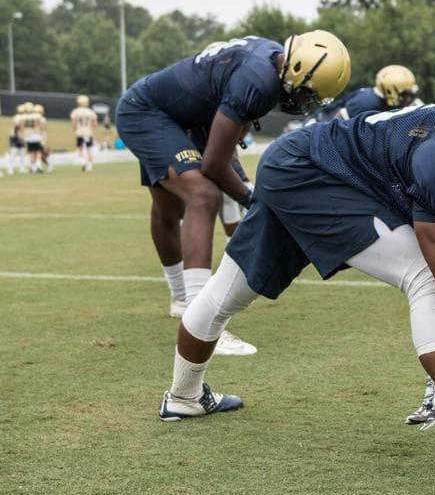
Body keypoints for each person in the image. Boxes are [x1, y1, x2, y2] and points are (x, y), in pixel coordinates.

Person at [157, 70, 435, 494]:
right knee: (426, 279)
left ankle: (183, 396)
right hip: (313, 171)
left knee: (231, 290)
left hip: (309, 168)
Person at [116, 31, 351, 357]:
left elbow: (226, 139)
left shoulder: (271, 62)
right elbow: (214, 164)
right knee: (203, 196)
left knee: (170, 205)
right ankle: (199, 319)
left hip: (186, 118)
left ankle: (183, 301)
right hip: (149, 112)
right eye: (309, 93)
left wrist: (241, 187)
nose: (307, 102)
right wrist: (251, 198)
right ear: (296, 70)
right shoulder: (258, 81)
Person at [311, 64, 419, 123]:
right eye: (405, 95)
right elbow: (335, 126)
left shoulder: (382, 100)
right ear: (390, 91)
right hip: (317, 125)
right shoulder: (366, 103)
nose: (409, 99)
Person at [70, 94, 99, 171]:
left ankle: (83, 162)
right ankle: (89, 166)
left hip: (79, 132)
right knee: (89, 149)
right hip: (88, 133)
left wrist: (75, 128)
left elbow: (73, 124)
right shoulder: (90, 112)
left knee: (80, 149)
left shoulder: (75, 111)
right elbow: (95, 124)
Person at [6, 103, 29, 175]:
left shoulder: (19, 117)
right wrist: (19, 137)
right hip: (16, 136)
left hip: (18, 136)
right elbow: (17, 128)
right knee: (14, 153)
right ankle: (10, 169)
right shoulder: (19, 117)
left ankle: (21, 168)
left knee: (21, 153)